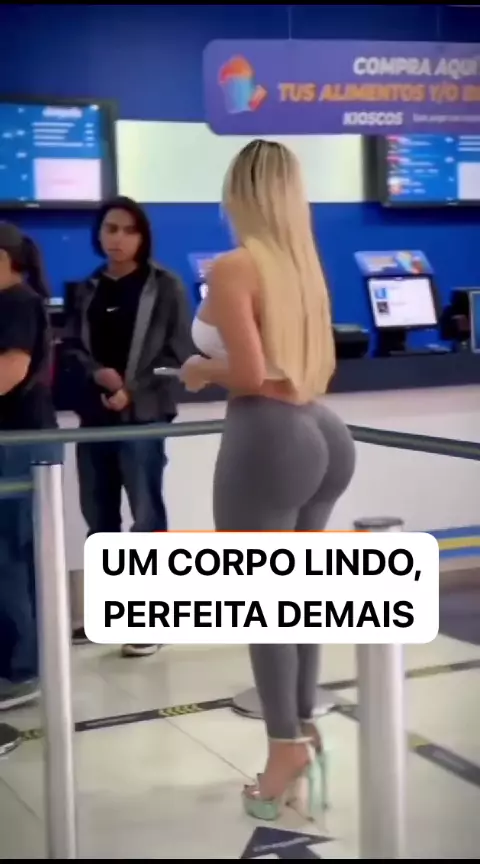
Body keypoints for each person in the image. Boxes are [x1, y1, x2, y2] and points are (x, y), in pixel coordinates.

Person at [179, 140, 356, 820]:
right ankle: (303, 730)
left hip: (267, 436)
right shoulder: (302, 265)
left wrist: (199, 371)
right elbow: (310, 365)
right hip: (322, 430)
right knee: (299, 596)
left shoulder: (235, 266)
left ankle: (284, 749)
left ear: (240, 192)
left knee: (264, 601)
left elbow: (250, 374)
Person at [65, 197, 192, 657]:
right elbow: (71, 346)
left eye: (127, 230)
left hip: (144, 416)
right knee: (99, 517)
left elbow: (178, 353)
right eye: (109, 228)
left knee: (145, 517)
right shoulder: (87, 289)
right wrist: (97, 375)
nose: (116, 238)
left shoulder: (165, 286)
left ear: (142, 237)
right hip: (94, 418)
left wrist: (131, 390)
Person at [0, 224, 57, 710]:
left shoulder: (17, 302)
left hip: (18, 442)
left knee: (9, 555)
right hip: (17, 441)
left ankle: (22, 671)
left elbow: (10, 371)